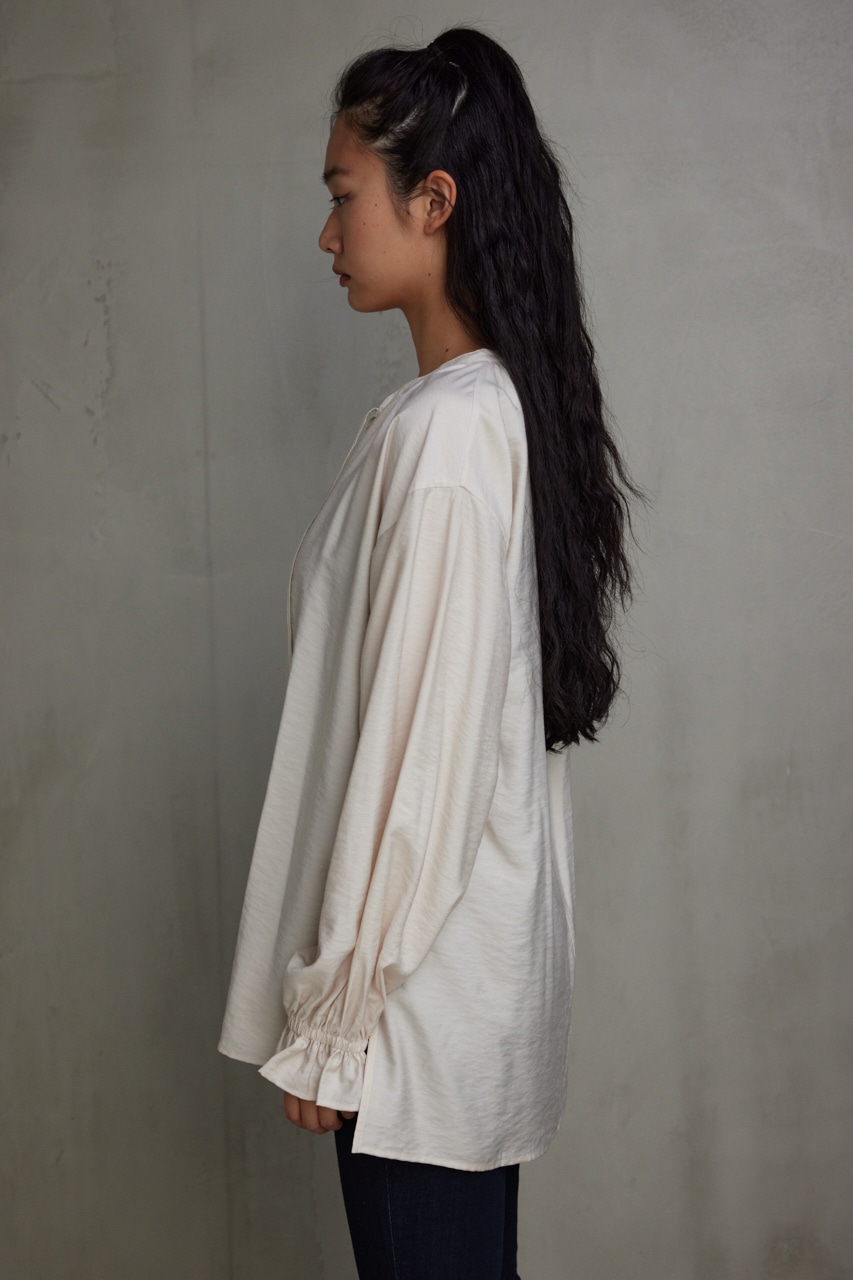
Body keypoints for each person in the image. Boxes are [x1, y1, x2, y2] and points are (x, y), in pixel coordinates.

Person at [218, 26, 639, 1280]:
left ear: (433, 199)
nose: (327, 232)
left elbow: (423, 760)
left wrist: (337, 1015)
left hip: (411, 1029)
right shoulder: (460, 413)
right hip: (447, 1014)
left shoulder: (449, 433)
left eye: (343, 194)